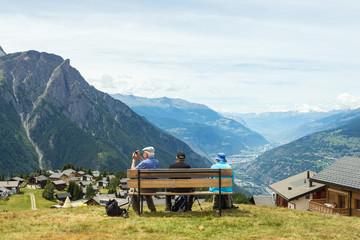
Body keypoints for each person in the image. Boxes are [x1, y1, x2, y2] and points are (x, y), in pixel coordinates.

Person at [130, 146, 159, 213]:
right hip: (153, 188)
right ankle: (152, 209)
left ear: (146, 154)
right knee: (146, 190)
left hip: (143, 188)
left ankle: (136, 210)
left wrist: (134, 160)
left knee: (132, 190)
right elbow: (147, 163)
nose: (143, 154)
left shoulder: (144, 163)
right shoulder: (156, 162)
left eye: (144, 153)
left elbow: (133, 172)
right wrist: (139, 157)